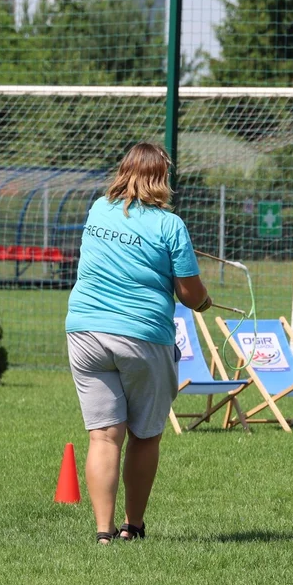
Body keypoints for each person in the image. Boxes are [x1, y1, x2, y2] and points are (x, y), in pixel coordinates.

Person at [65, 142, 211, 544]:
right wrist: (204, 302)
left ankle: (103, 532)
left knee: (103, 436)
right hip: (142, 336)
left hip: (85, 333)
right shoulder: (170, 225)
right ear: (161, 178)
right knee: (145, 436)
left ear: (123, 171)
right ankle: (134, 525)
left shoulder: (97, 209)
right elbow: (190, 294)